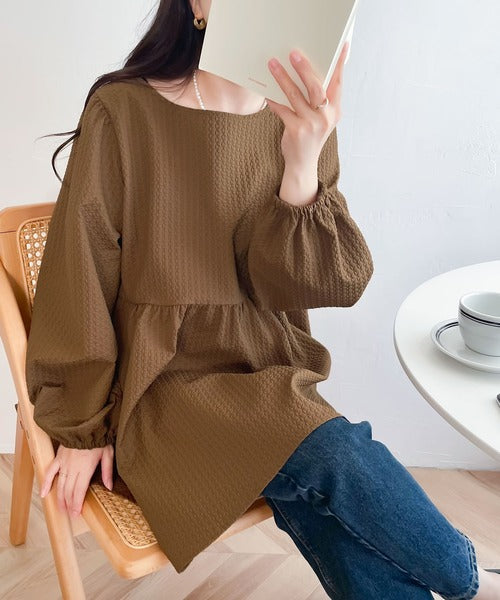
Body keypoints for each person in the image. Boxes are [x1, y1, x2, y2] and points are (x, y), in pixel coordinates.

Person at [25, 1, 499, 598]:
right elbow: (80, 272)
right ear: (196, 5)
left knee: (318, 485)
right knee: (331, 453)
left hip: (267, 366)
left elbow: (322, 285)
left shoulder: (302, 122)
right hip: (163, 385)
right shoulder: (123, 111)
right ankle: (468, 576)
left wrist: (302, 162)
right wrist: (79, 426)